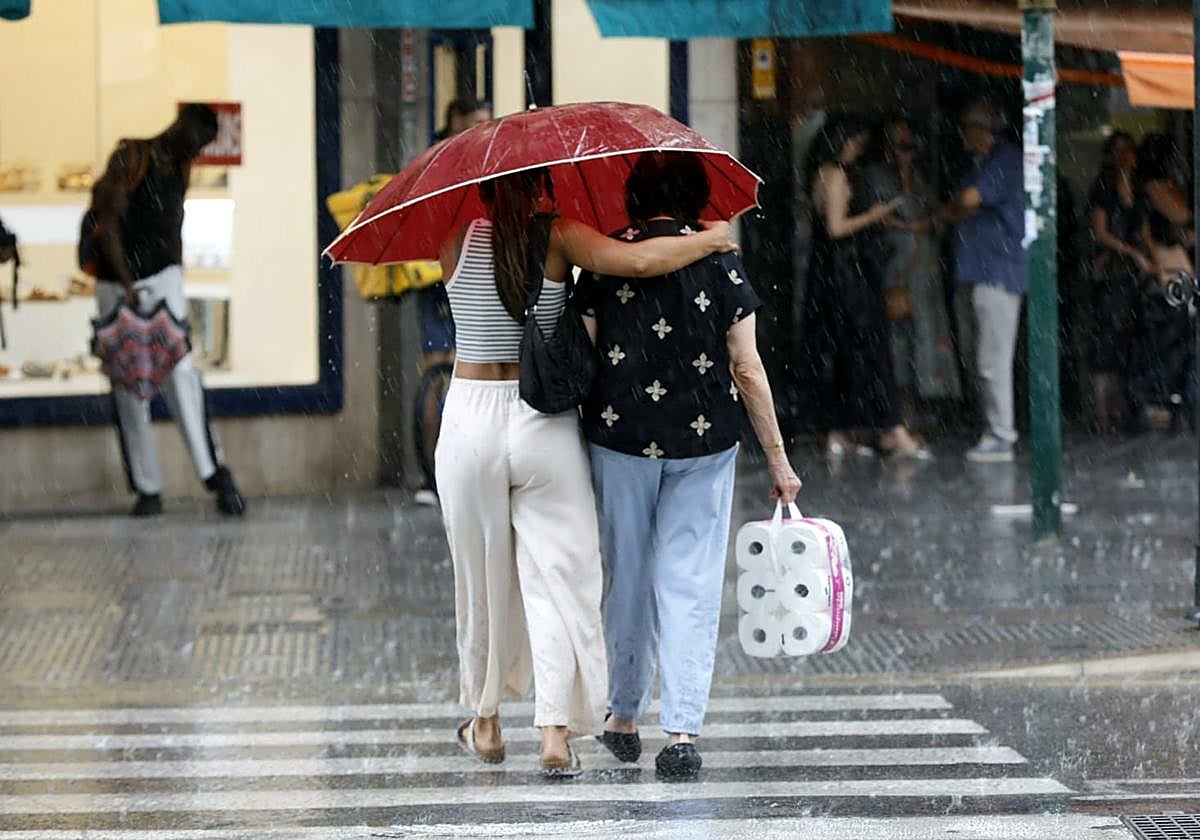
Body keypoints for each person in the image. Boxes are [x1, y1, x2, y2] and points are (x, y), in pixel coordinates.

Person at [434, 167, 737, 777]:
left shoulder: (453, 242)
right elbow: (642, 263)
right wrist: (709, 241)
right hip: (540, 419)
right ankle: (554, 735)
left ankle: (486, 723)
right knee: (559, 582)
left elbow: (484, 299)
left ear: (486, 192)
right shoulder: (558, 235)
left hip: (468, 419)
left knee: (481, 581)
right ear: (543, 189)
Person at [575, 152, 802, 781]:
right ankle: (680, 732)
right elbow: (747, 366)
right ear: (698, 198)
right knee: (691, 581)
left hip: (621, 438)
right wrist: (779, 460)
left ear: (634, 197)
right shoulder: (721, 261)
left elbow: (585, 358)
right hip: (705, 443)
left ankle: (623, 717)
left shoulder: (603, 259)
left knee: (627, 571)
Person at [90, 104, 245, 517]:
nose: (199, 147)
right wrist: (126, 284)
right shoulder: (134, 156)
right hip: (121, 284)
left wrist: (176, 276)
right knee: (130, 384)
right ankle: (148, 486)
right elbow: (107, 224)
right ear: (183, 126)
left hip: (162, 281)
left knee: (181, 376)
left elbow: (172, 224)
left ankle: (211, 472)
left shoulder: (179, 167)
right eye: (199, 138)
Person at [800, 114, 929, 459]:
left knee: (842, 354)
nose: (857, 149)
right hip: (849, 278)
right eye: (854, 142)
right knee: (871, 352)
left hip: (831, 277)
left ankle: (840, 431)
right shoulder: (838, 175)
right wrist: (873, 215)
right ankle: (891, 429)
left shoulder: (819, 175)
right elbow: (837, 227)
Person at [943, 100, 1026, 463]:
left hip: (997, 271)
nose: (962, 135)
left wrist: (965, 205)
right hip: (979, 271)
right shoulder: (981, 163)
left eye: (966, 127)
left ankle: (1001, 434)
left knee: (993, 358)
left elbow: (967, 199)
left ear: (981, 128)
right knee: (981, 356)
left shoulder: (1003, 159)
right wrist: (964, 206)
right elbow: (956, 206)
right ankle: (994, 429)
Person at [867, 118, 961, 422]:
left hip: (925, 270)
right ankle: (899, 413)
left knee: (927, 334)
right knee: (899, 338)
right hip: (896, 268)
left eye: (910, 145)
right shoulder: (876, 178)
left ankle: (926, 404)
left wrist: (931, 220)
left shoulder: (920, 180)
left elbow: (939, 216)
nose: (907, 151)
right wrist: (909, 224)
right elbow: (885, 216)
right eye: (900, 145)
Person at [413, 99, 479, 505]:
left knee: (467, 375)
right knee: (437, 371)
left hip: (470, 274)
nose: (480, 131)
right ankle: (436, 472)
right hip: (437, 279)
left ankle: (462, 467)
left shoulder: (484, 164)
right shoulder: (436, 164)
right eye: (473, 124)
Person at [1128, 133, 1195, 429]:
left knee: (1171, 341)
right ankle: (1170, 399)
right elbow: (1181, 218)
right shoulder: (1156, 190)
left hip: (1171, 275)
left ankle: (1165, 400)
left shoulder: (1143, 193)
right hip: (1172, 276)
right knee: (1176, 340)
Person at [1086, 132, 1151, 431]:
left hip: (1131, 276)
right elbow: (1100, 233)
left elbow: (1144, 231)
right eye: (1119, 150)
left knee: (1127, 340)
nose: (1126, 155)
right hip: (1110, 273)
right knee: (1105, 343)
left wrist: (1151, 259)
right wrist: (1131, 253)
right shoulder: (1103, 189)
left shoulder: (1139, 192)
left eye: (1129, 150)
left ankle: (1122, 410)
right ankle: (1102, 415)